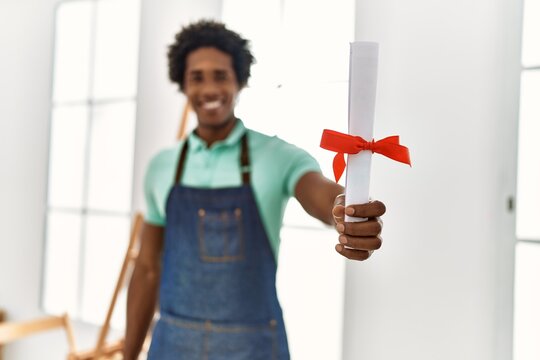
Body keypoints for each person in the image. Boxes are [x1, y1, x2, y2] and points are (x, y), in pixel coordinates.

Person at [124, 20, 386, 360]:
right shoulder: (162, 168)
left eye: (220, 75)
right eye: (197, 77)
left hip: (253, 347)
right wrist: (128, 355)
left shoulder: (277, 157)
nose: (209, 89)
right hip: (173, 345)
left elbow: (319, 194)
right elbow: (146, 270)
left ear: (240, 80)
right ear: (182, 84)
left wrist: (345, 211)